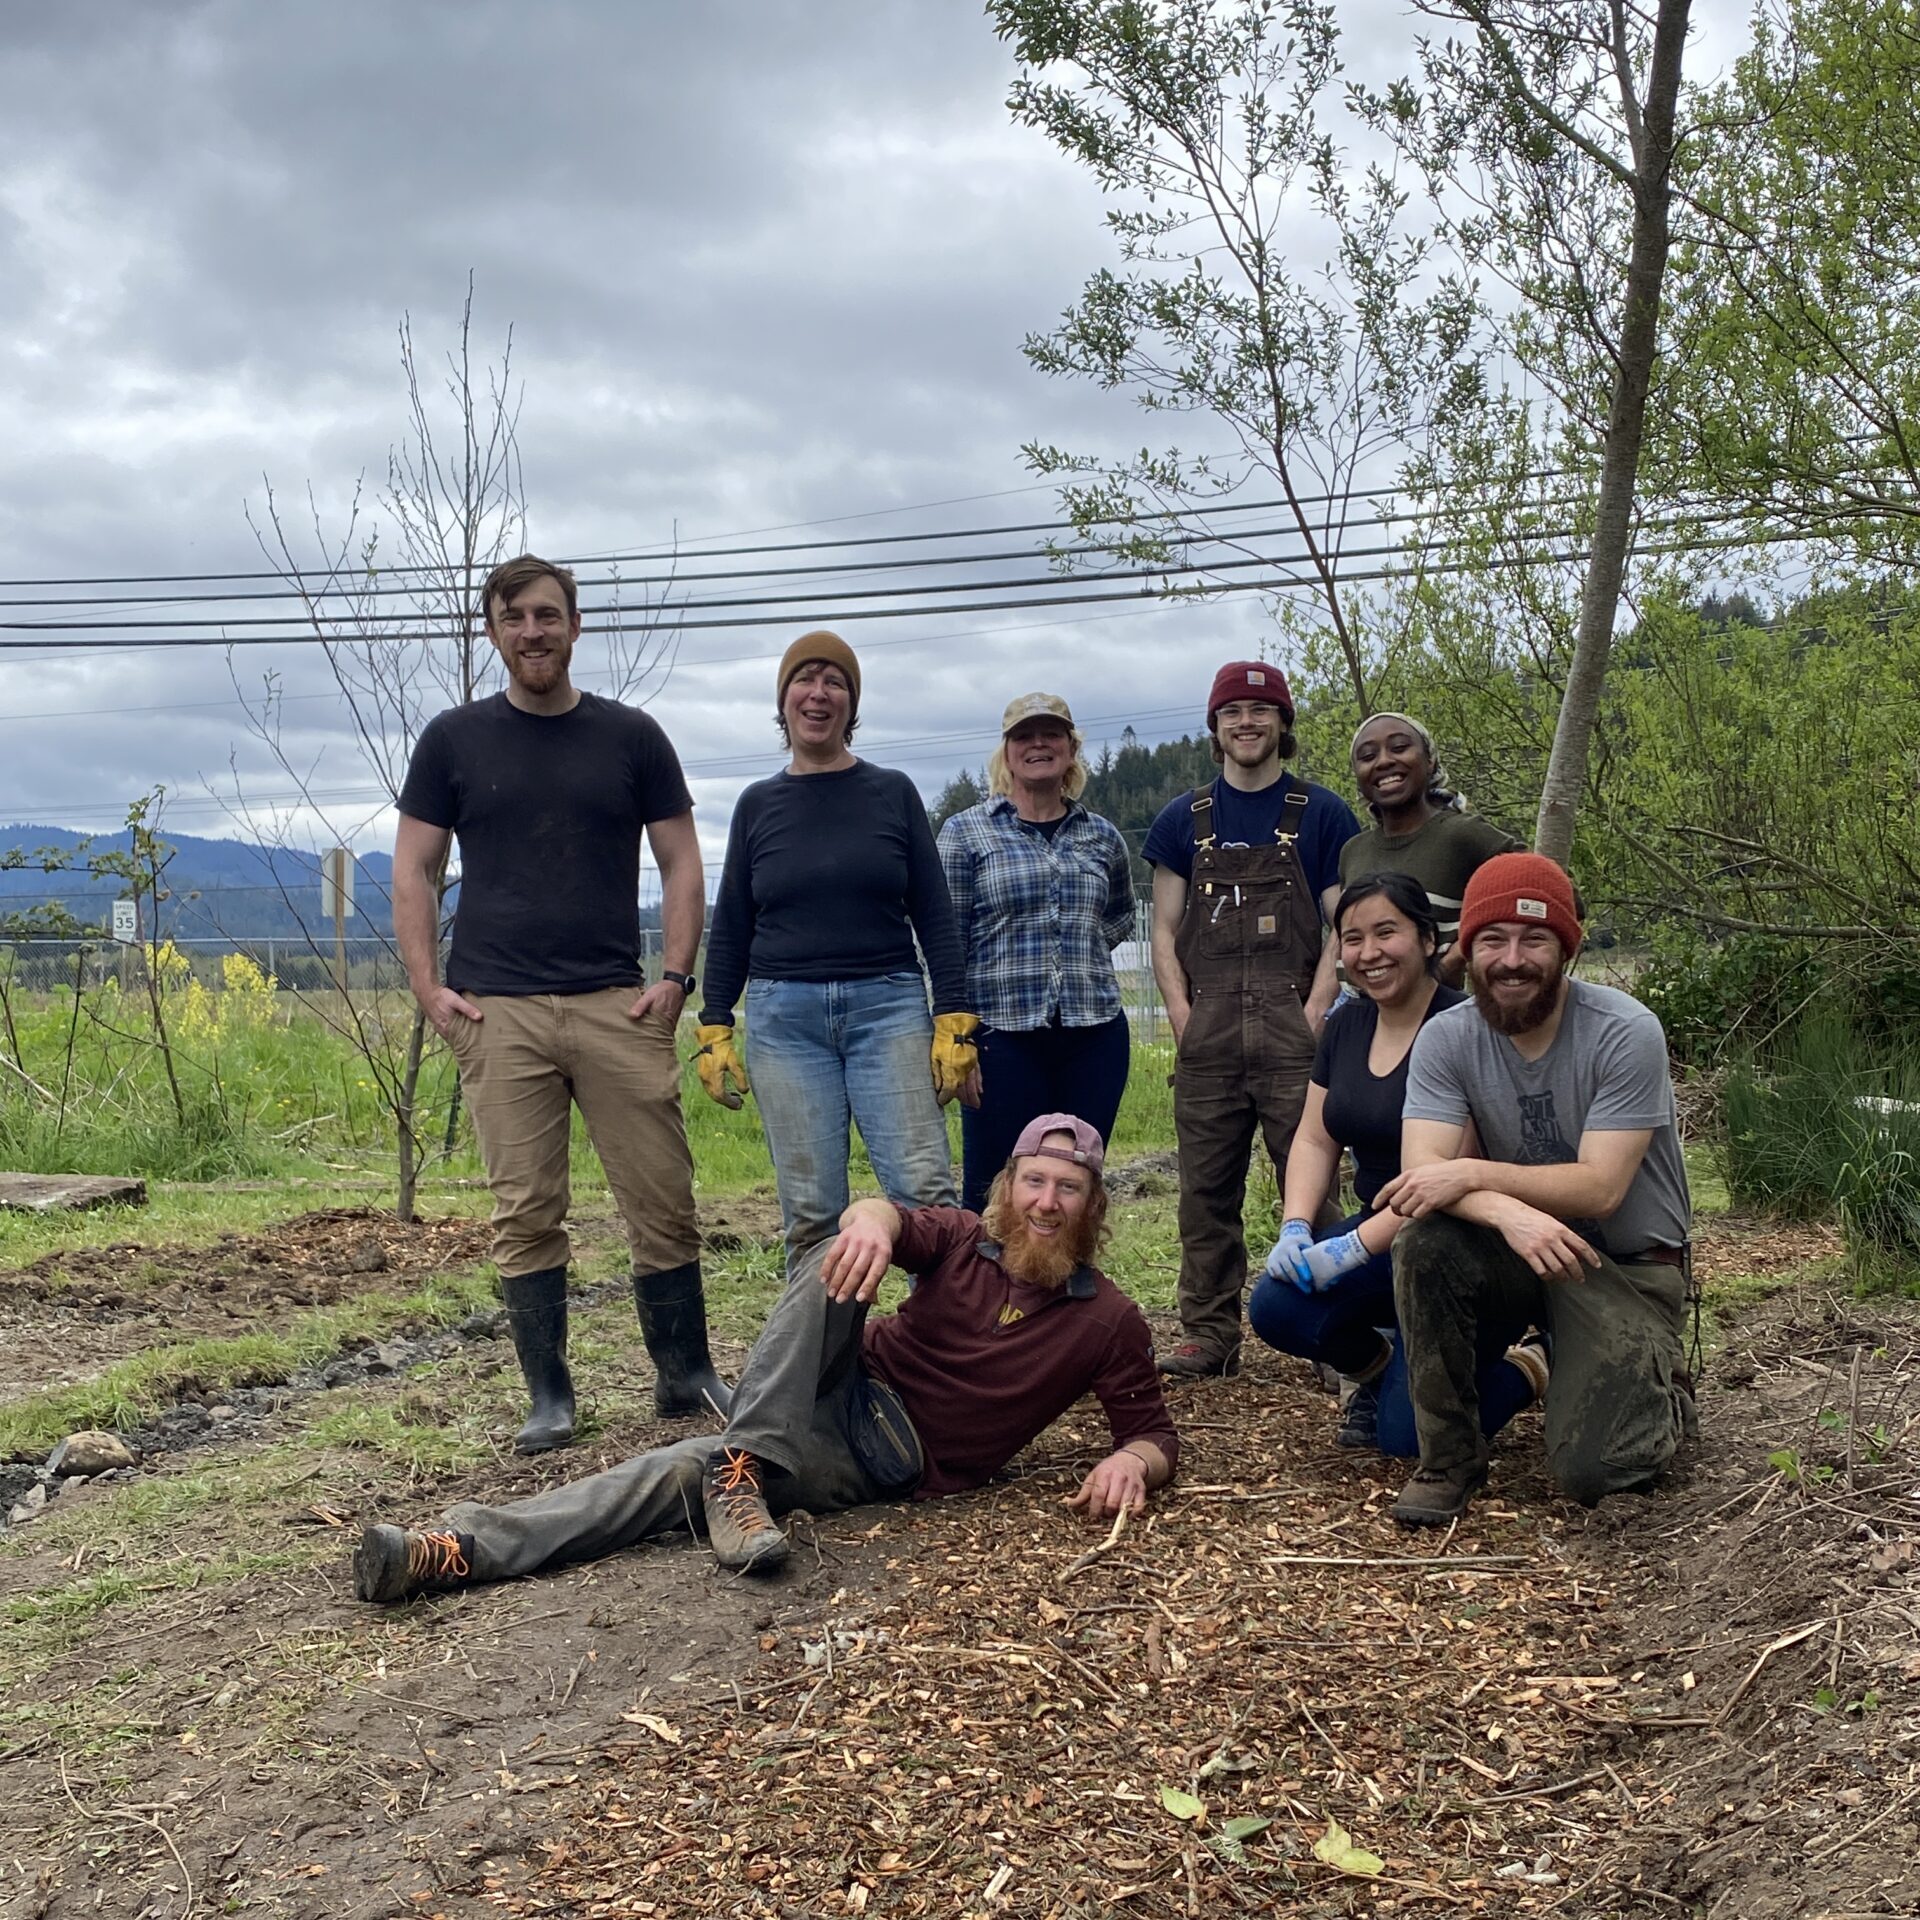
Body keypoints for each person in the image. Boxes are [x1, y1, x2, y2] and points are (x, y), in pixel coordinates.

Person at [351, 1115, 1181, 1601]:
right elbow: (888, 1216)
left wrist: (1131, 1465)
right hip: (825, 1376)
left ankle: (454, 1551)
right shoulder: (967, 1239)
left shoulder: (1107, 1320)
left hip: (879, 1447)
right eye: (1034, 1182)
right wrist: (869, 1223)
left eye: (1067, 1189)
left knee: (678, 1469)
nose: (1046, 1202)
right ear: (1009, 1188)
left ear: (1093, 1205)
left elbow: (1153, 1434)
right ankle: (742, 1471)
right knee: (839, 1256)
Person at [392, 553, 728, 1456]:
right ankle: (549, 1395)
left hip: (618, 1005)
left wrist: (676, 975)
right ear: (492, 632)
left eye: (547, 615)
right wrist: (430, 988)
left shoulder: (632, 738)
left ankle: (683, 1373)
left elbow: (683, 861)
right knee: (525, 1209)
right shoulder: (453, 741)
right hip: (497, 1012)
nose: (532, 632)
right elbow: (415, 868)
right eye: (514, 618)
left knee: (661, 1197)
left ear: (576, 627)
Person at [1376, 853, 1695, 1526]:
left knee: (1601, 1473)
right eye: (1492, 939)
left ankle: (1659, 1385)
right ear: (1468, 950)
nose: (1511, 959)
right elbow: (1423, 1173)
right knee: (1425, 1242)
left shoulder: (1625, 1031)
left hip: (1625, 1269)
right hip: (1520, 1252)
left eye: (1535, 940)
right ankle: (1450, 1464)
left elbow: (1602, 1188)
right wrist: (1506, 1213)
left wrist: (1474, 1173)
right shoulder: (1447, 1037)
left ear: (1566, 950)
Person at [694, 632, 977, 1257]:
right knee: (812, 1213)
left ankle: (946, 1350)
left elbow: (934, 911)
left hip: (889, 1010)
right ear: (783, 699)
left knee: (926, 1196)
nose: (818, 694)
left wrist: (952, 1016)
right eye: (805, 679)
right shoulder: (756, 805)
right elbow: (734, 921)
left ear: (852, 705)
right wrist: (715, 1023)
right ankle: (825, 1357)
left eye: (835, 682)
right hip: (783, 1020)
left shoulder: (894, 792)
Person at [1246, 873, 1546, 1451]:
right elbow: (1313, 1138)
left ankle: (1538, 1359)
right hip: (1384, 1237)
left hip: (1458, 1248)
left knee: (1407, 1443)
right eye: (1352, 939)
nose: (1369, 953)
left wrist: (1350, 1251)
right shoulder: (1346, 1025)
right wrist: (1297, 1226)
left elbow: (1445, 1176)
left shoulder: (1466, 1028)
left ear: (1429, 940)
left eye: (1387, 932)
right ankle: (1382, 1376)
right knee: (1276, 1307)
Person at [1142, 661, 1361, 1377]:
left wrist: (1317, 1009)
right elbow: (1164, 930)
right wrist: (1180, 1014)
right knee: (1204, 1191)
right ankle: (1209, 1334)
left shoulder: (1321, 813)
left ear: (1282, 724)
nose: (1246, 722)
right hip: (1206, 1027)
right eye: (1232, 710)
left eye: (1261, 710)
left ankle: (1334, 1334)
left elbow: (1344, 926)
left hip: (1290, 1022)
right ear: (1214, 727)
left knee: (1314, 1184)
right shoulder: (1185, 820)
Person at [937, 693, 1135, 1212]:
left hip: (1094, 1036)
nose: (1038, 744)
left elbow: (1118, 917)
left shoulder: (1103, 837)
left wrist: (1071, 957)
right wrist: (955, 1034)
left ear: (1072, 749)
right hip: (1001, 1040)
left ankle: (1071, 1287)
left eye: (1051, 734)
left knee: (1077, 1179)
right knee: (997, 1183)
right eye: (1024, 736)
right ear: (1006, 752)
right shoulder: (965, 833)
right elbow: (944, 941)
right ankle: (986, 1291)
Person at [1340, 713, 1519, 981]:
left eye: (1400, 748)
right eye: (1367, 757)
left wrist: (1456, 957)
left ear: (1430, 760)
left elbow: (1552, 896)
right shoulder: (1353, 851)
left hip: (1436, 1014)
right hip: (1358, 1013)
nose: (1384, 761)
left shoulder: (1461, 834)